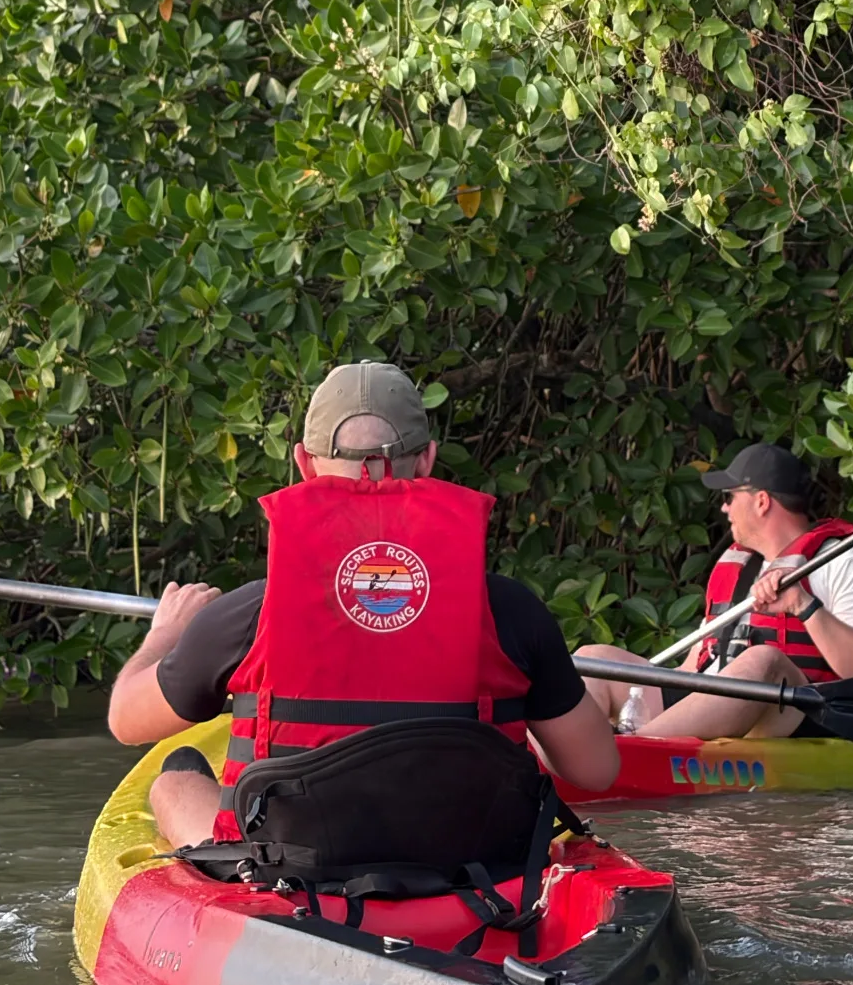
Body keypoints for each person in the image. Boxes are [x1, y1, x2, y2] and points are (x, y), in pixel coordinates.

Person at [109, 361, 620, 850]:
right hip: (474, 867)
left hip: (293, 867)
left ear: (303, 464)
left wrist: (166, 634)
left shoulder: (246, 616)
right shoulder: (512, 611)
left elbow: (125, 722)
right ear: (426, 460)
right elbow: (597, 771)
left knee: (176, 774)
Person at [576, 442, 853, 742]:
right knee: (593, 660)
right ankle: (575, 756)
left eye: (730, 497)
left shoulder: (842, 562)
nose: (724, 509)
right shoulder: (735, 568)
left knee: (763, 660)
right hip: (715, 712)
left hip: (802, 714)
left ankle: (632, 752)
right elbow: (692, 670)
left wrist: (803, 603)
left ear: (761, 501)